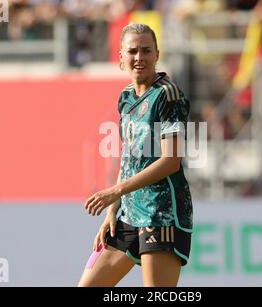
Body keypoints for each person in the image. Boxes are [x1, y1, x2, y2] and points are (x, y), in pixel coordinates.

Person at [78, 24, 193, 287]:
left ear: (156, 55)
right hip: (128, 215)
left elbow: (170, 161)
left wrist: (115, 190)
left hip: (162, 214)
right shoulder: (126, 98)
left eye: (146, 51)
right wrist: (112, 212)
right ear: (120, 58)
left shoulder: (168, 96)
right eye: (132, 51)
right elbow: (129, 158)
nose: (139, 57)